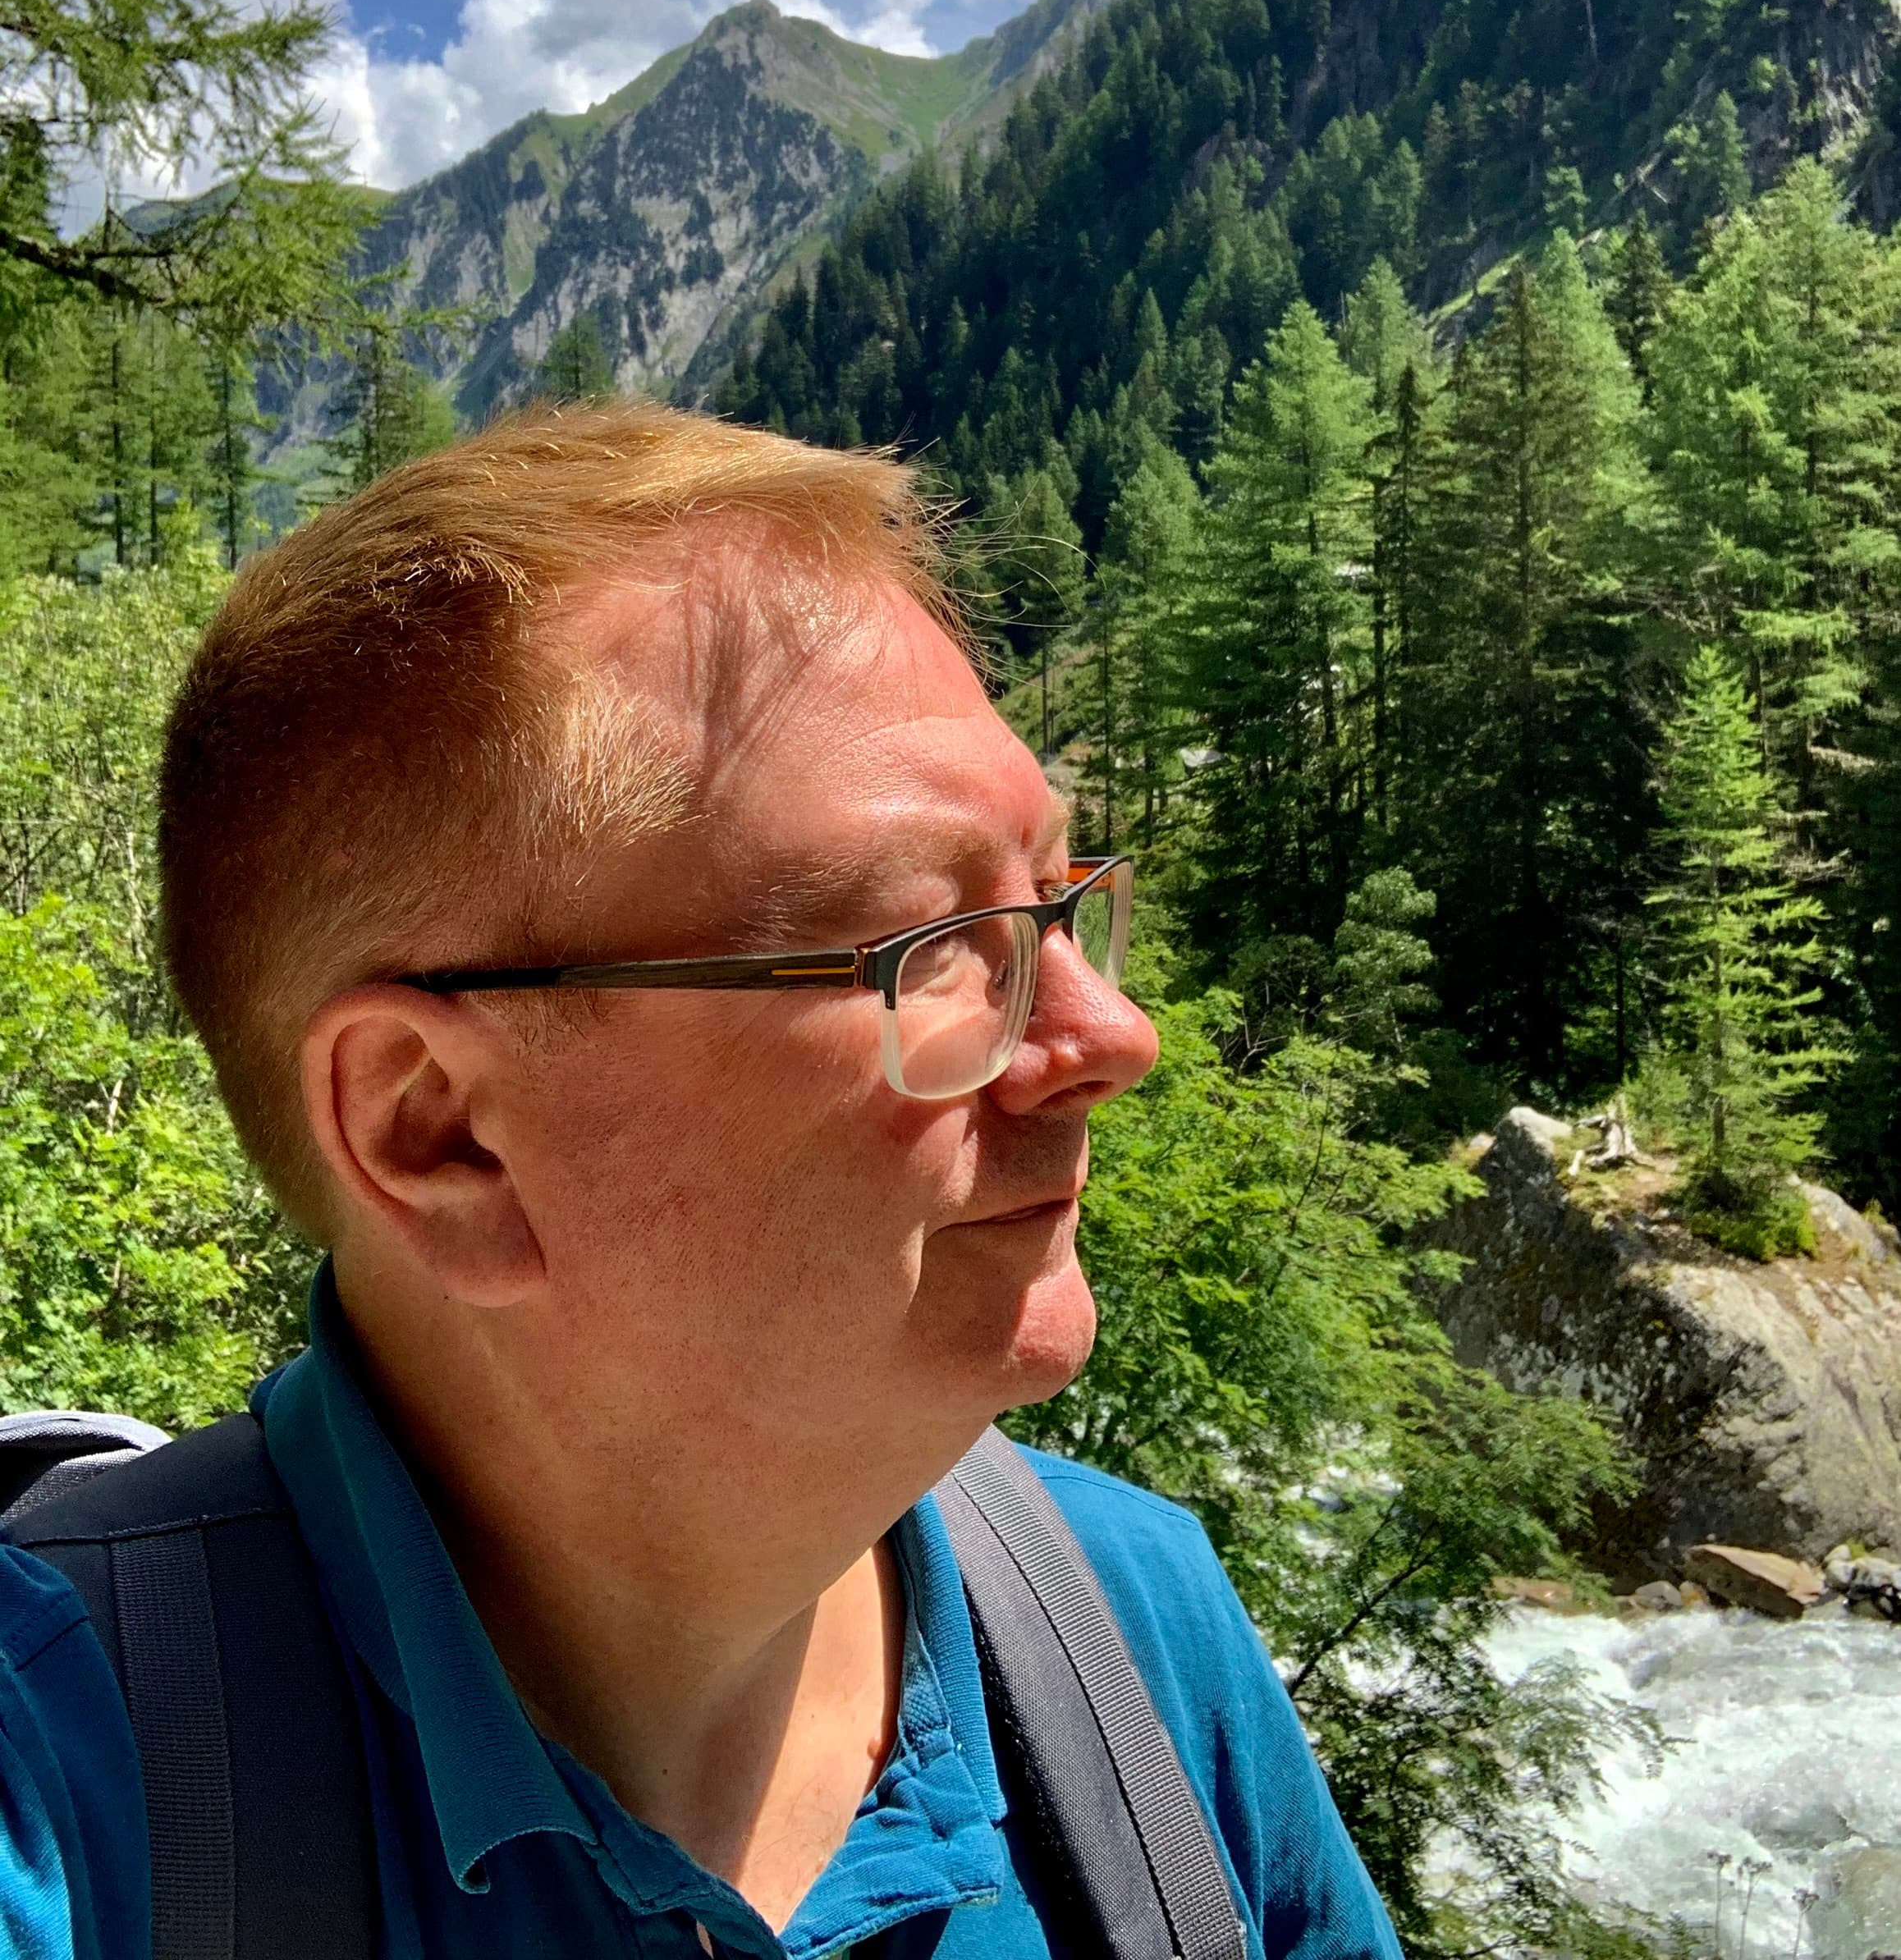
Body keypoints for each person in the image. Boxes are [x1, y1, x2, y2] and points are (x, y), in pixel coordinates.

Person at [0, 404, 1400, 1960]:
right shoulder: (67, 1792)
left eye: (1056, 901)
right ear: (440, 1136)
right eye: (929, 945)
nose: (1112, 1038)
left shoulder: (1130, 1639)